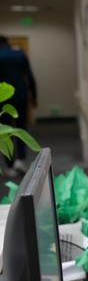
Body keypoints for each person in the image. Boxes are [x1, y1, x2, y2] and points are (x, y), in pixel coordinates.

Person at [0, 35, 37, 177]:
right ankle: (21, 160)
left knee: (5, 131)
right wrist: (34, 96)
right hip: (21, 96)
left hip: (2, 99)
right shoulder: (20, 54)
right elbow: (29, 76)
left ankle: (10, 165)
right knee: (21, 128)